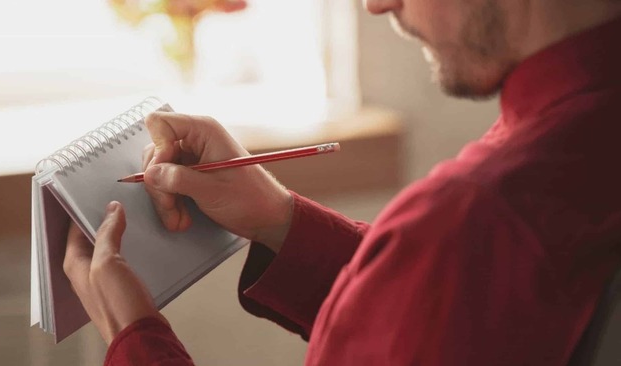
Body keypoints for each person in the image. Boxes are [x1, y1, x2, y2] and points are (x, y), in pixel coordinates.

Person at [62, 0, 621, 364]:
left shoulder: (475, 215)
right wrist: (280, 220)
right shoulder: (572, 146)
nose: (376, 5)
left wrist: (131, 335)